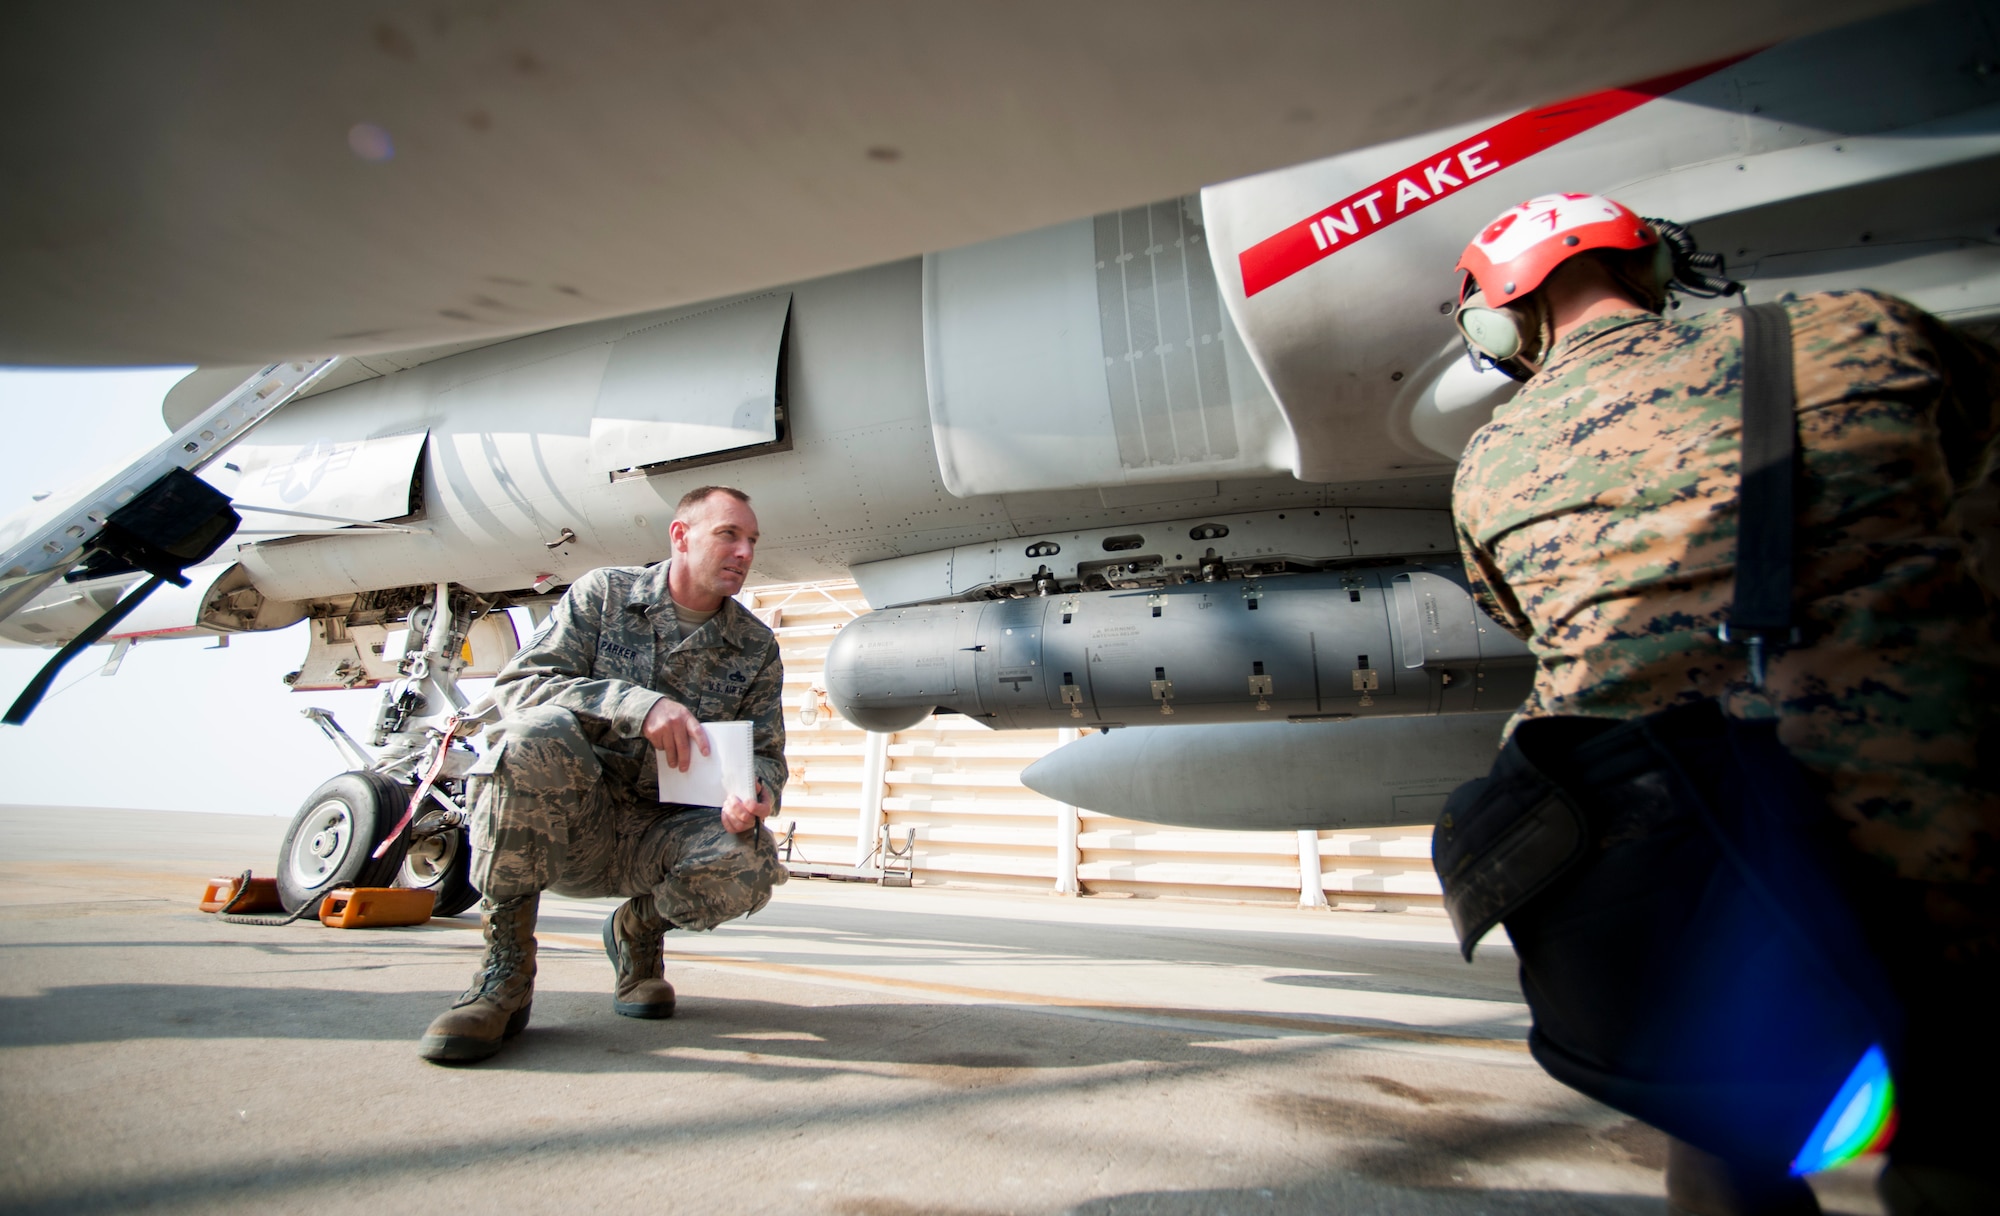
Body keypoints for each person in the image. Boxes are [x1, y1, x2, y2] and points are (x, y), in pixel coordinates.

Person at [1447, 194, 1999, 1215]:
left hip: (1687, 850)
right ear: (1654, 268)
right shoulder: (1855, 328)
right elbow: (1964, 454)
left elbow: (1517, 611)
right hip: (1931, 821)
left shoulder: (1489, 460)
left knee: (1722, 1144)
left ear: (1500, 322)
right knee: (1965, 1132)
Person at [419, 485, 789, 1064]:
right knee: (532, 735)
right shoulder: (605, 595)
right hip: (569, 825)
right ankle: (504, 974)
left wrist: (755, 793)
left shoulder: (755, 646)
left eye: (752, 541)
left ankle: (637, 933)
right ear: (680, 536)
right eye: (728, 535)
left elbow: (766, 754)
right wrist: (636, 705)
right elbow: (519, 689)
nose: (744, 552)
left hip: (660, 838)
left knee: (752, 858)